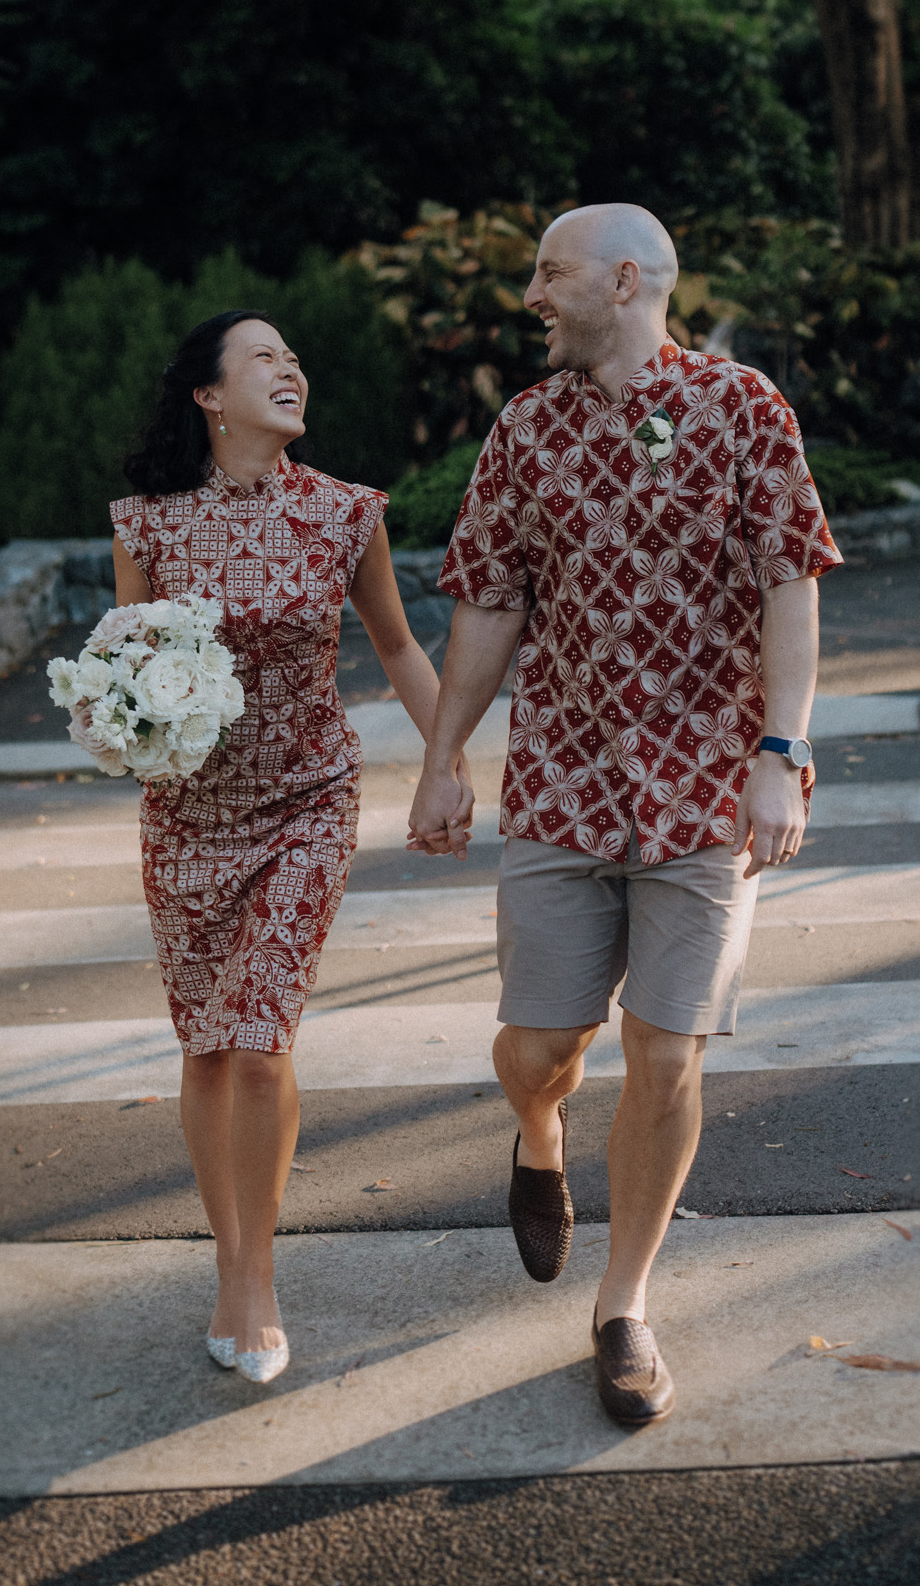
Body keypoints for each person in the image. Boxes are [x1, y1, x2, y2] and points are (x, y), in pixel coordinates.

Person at [406, 204, 840, 1426]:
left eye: (551, 274)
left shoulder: (743, 405)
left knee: (666, 1053)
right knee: (540, 1049)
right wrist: (444, 758)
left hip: (709, 786)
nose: (533, 296)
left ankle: (623, 1305)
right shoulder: (525, 427)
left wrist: (780, 750)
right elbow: (487, 603)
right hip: (561, 780)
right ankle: (539, 1133)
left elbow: (786, 583)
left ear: (626, 279)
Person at [109, 308, 464, 1385]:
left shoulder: (348, 514)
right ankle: (230, 1252)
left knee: (261, 1036)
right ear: (209, 398)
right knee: (206, 1045)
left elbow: (399, 645)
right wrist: (119, 723)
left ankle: (251, 1282)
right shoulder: (146, 526)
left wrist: (445, 762)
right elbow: (126, 670)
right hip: (187, 815)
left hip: (308, 800)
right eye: (264, 357)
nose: (290, 368)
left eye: (295, 357)